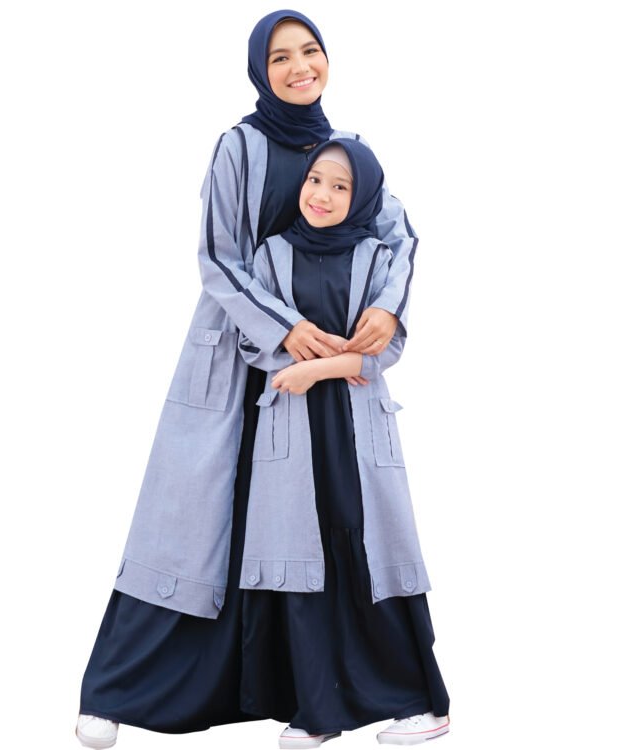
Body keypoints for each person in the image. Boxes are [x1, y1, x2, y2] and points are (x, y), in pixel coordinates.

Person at [76, 10, 442, 749]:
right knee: (192, 521)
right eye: (280, 57)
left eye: (311, 51)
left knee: (323, 518)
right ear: (258, 70)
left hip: (324, 373)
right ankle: (122, 690)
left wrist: (385, 309)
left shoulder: (348, 151)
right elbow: (218, 257)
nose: (300, 67)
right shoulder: (238, 146)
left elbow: (399, 234)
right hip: (237, 357)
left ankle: (319, 693)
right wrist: (284, 328)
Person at [235, 138, 450, 746]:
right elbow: (251, 340)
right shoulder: (270, 255)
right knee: (304, 562)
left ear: (363, 198)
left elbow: (387, 350)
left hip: (355, 428)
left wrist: (317, 368)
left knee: (371, 554)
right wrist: (304, 352)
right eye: (315, 181)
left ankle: (421, 706)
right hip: (291, 429)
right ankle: (318, 711)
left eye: (341, 186)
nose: (322, 196)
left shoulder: (378, 258)